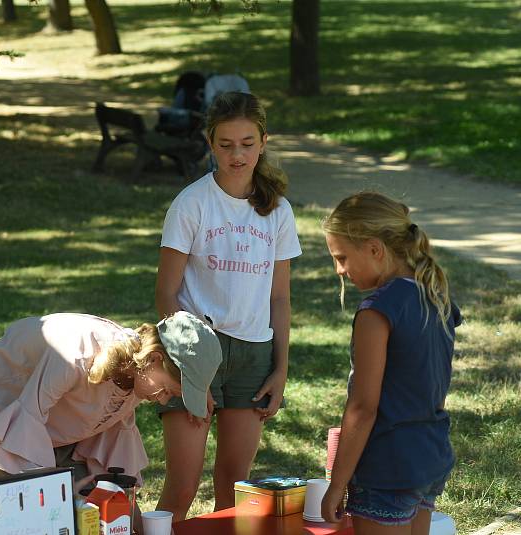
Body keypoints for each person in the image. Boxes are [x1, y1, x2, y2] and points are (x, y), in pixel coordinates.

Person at [154, 91, 303, 520]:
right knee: (181, 487)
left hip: (254, 355)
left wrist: (280, 369)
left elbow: (280, 298)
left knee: (235, 494)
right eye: (225, 144)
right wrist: (190, 365)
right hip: (195, 349)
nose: (237, 154)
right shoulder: (192, 203)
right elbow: (166, 294)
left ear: (263, 141)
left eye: (247, 143)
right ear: (209, 142)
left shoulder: (278, 210)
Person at [319, 192, 461, 534]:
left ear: (373, 249)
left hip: (387, 464)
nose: (339, 270)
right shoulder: (435, 295)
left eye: (341, 257)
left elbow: (363, 407)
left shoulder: (376, 310)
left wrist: (336, 484)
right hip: (429, 456)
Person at [0, 311, 221, 490]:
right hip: (0, 414)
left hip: (52, 428)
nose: (163, 402)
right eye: (167, 390)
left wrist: (137, 523)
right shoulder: (75, 354)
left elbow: (114, 478)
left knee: (88, 513)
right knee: (16, 516)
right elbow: (27, 422)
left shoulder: (139, 379)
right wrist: (58, 498)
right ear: (155, 359)